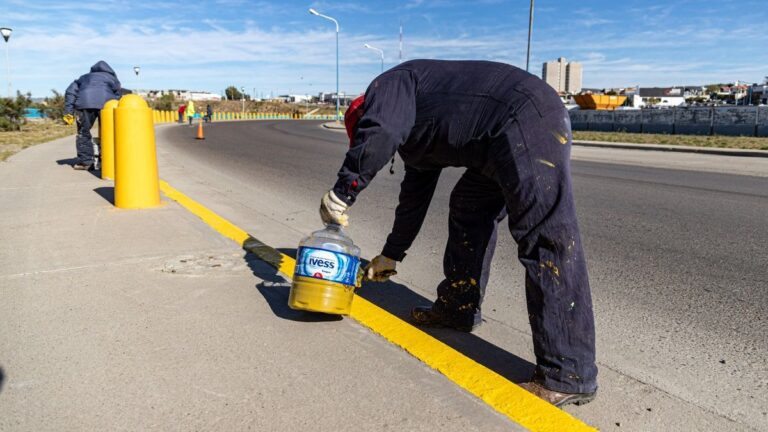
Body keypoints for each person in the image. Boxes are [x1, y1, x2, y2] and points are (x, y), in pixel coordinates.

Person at [319, 60, 597, 407]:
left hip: (525, 116)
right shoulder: (415, 135)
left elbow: (382, 131)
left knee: (546, 237)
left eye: (363, 135)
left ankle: (569, 373)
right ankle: (458, 308)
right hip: (495, 141)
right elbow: (413, 199)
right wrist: (392, 253)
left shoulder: (388, 87)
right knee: (468, 204)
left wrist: (342, 192)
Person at [63, 60, 121, 170]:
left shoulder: (83, 78)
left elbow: (70, 92)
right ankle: (109, 160)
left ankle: (86, 162)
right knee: (109, 132)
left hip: (84, 104)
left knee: (83, 132)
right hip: (106, 105)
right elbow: (118, 96)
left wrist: (68, 112)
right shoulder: (113, 79)